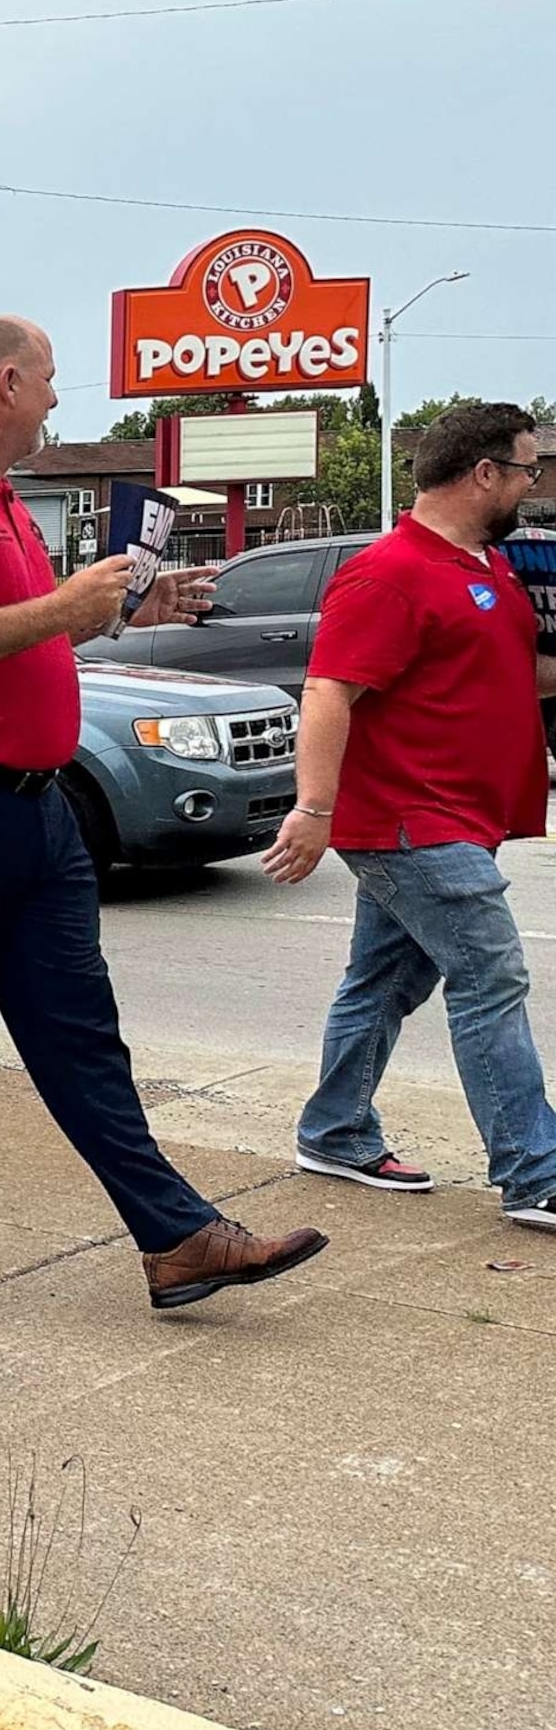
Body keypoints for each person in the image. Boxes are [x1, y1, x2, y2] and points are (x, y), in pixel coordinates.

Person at [0, 314, 326, 1312]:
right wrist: (62, 607)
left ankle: (177, 1237)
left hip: (33, 812)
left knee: (79, 1033)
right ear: (4, 382)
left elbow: (9, 637)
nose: (60, 399)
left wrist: (128, 609)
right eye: (50, 381)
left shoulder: (0, 502)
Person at [266, 403, 556, 1229]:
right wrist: (314, 809)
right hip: (408, 818)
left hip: (461, 814)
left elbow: (510, 676)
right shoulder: (389, 571)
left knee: (386, 980)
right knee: (491, 975)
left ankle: (334, 1130)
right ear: (485, 474)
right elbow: (328, 690)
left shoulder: (491, 567)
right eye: (528, 470)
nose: (532, 488)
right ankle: (537, 1172)